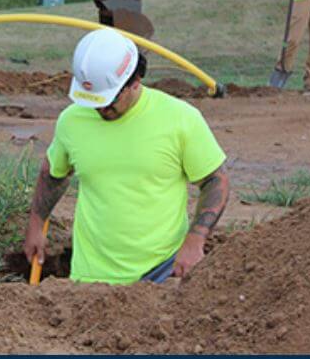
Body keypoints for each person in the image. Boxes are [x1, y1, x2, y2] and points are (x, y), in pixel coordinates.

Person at [23, 28, 230, 284]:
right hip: (88, 279)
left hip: (161, 273)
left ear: (135, 81)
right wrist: (35, 223)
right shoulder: (72, 120)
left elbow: (216, 181)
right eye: (93, 101)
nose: (100, 108)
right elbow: (53, 174)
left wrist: (196, 238)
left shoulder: (180, 118)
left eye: (108, 100)